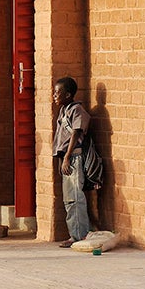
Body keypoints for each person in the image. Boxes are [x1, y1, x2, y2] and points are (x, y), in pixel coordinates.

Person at [53, 76, 91, 248]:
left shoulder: (76, 110)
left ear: (68, 95)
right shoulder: (63, 110)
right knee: (69, 199)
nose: (54, 96)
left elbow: (76, 133)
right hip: (66, 160)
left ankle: (78, 236)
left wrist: (67, 157)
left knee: (75, 198)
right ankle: (74, 233)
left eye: (58, 93)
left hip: (73, 158)